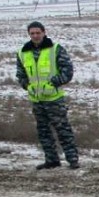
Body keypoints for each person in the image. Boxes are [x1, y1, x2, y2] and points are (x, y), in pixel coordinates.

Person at [16, 21, 80, 170]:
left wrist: (53, 83)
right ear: (29, 34)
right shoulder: (23, 52)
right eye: (32, 33)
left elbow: (68, 71)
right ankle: (51, 160)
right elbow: (20, 74)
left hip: (54, 99)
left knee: (63, 130)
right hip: (37, 100)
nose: (35, 36)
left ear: (44, 32)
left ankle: (73, 160)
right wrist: (27, 85)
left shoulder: (55, 49)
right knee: (43, 131)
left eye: (38, 33)